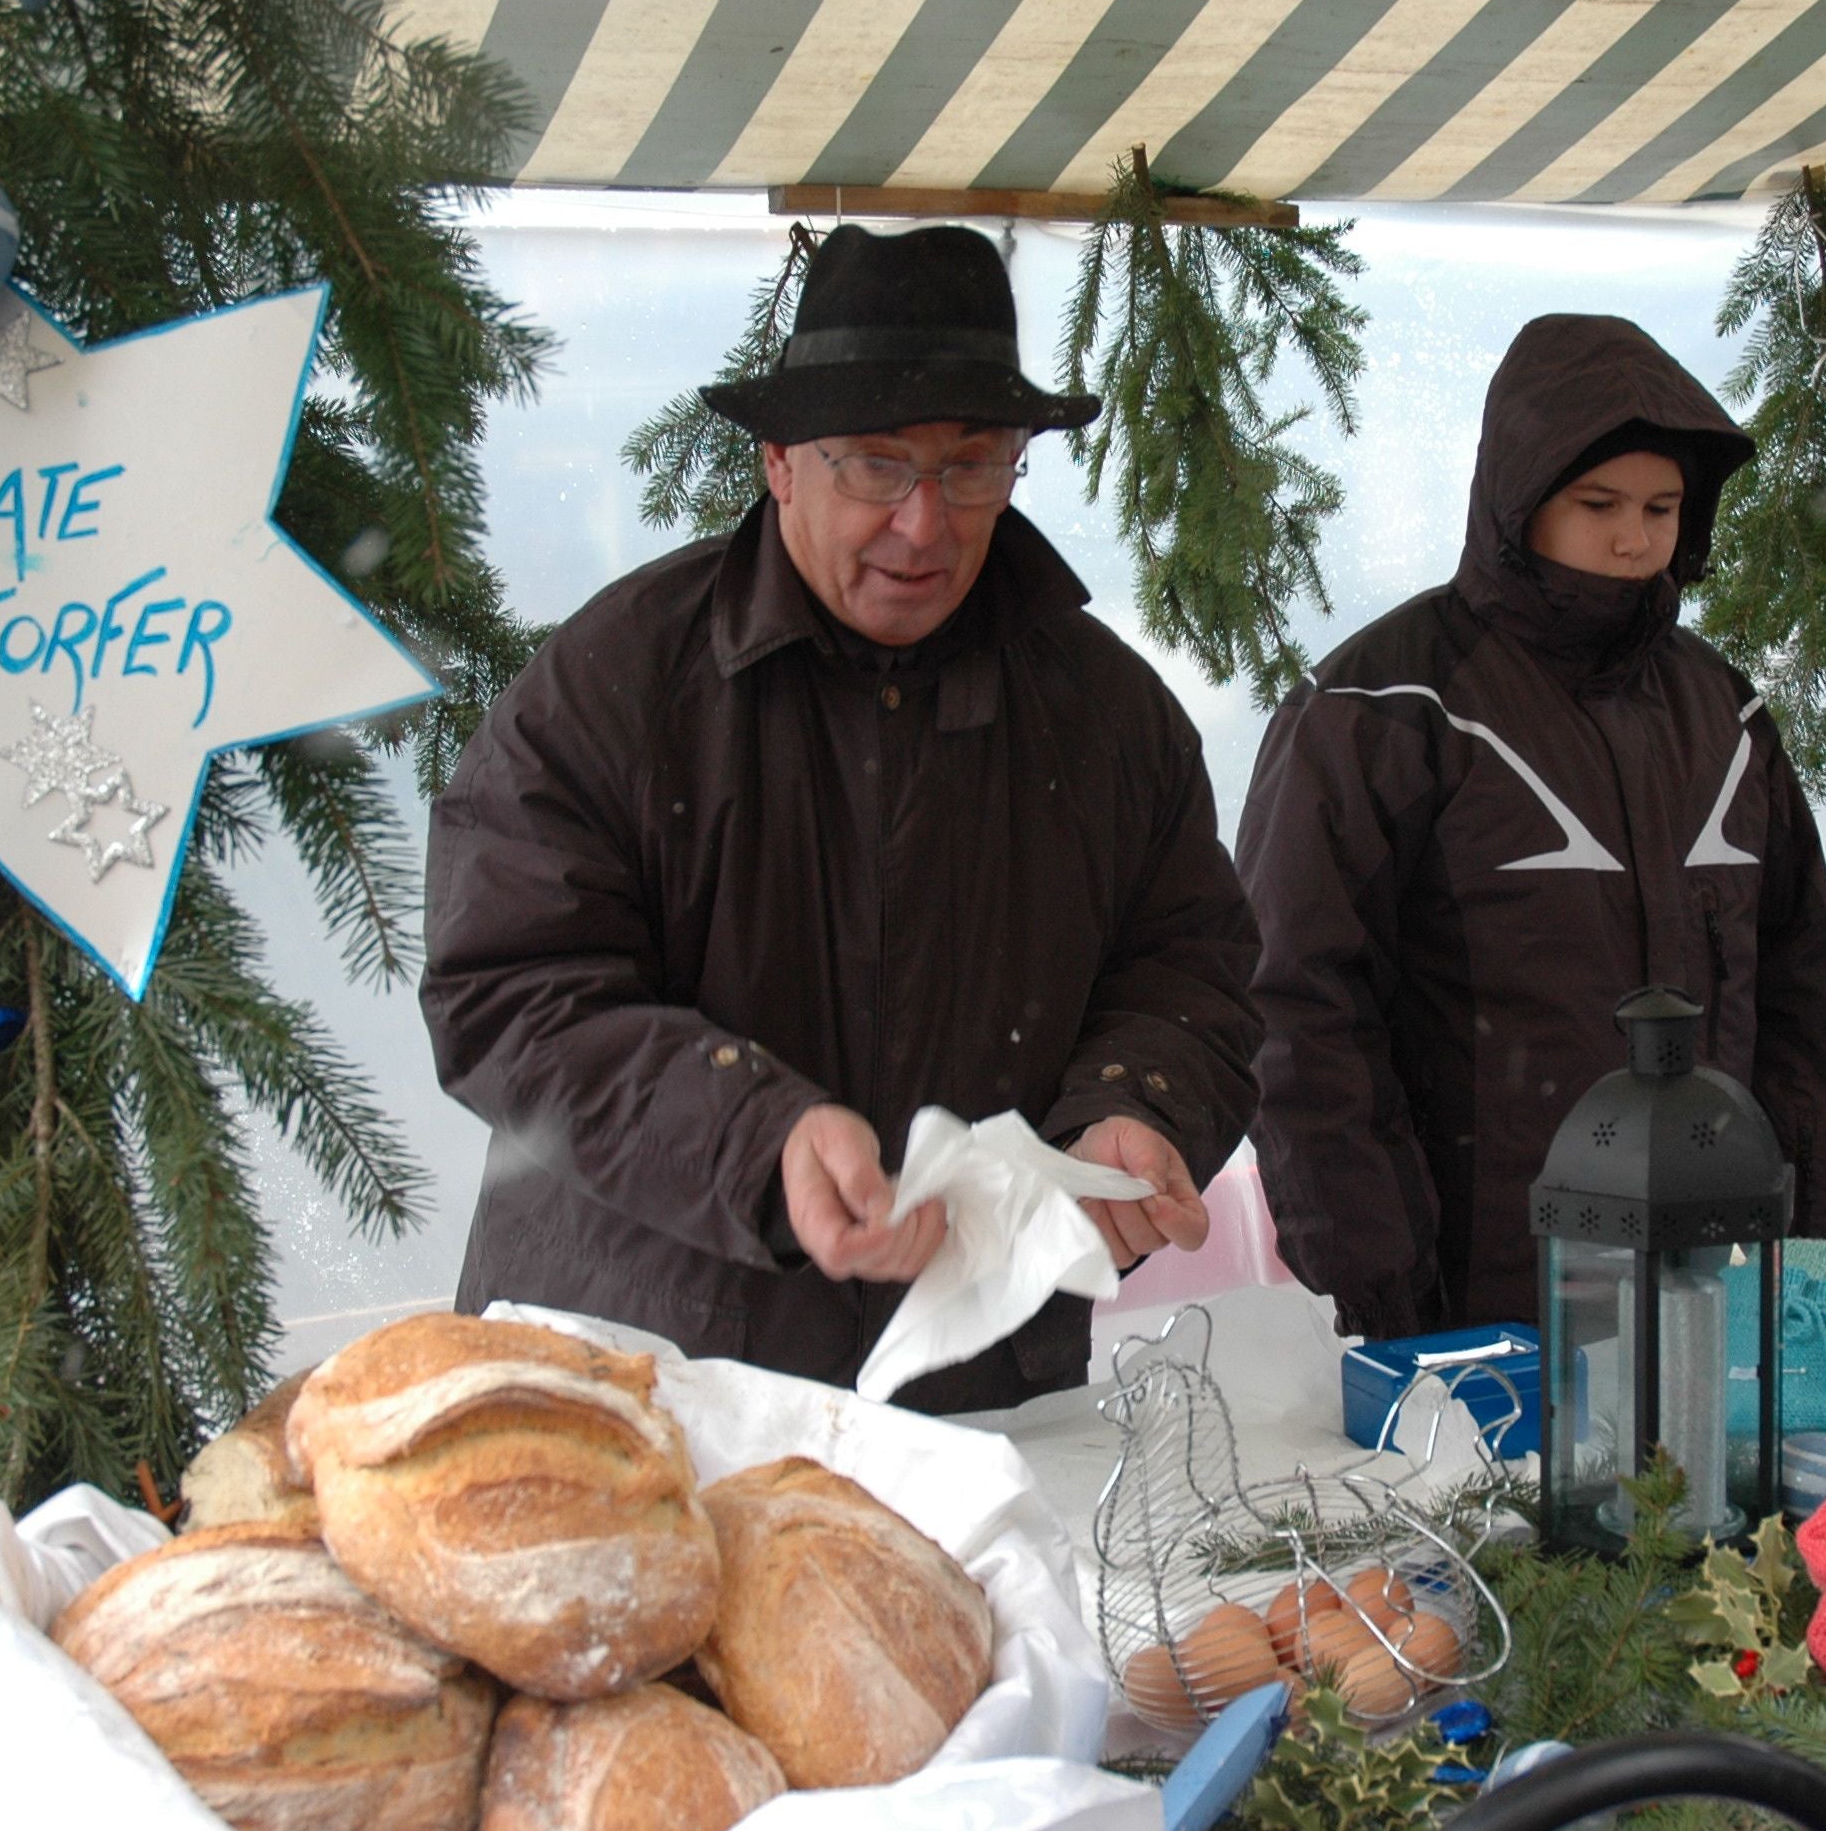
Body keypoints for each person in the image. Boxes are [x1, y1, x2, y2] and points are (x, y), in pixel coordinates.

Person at [420, 224, 1262, 1412]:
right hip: (649, 1385)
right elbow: (508, 990)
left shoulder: (1106, 713)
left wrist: (1132, 1105)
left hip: (972, 1395)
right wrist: (751, 1133)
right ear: (778, 461)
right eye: (876, 465)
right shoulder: (614, 684)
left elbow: (1190, 969)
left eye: (971, 467)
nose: (924, 524)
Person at [1239, 314, 1826, 1342]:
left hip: (1717, 1279)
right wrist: (1379, 1282)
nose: (1632, 537)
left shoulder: (1726, 713)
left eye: (1662, 506)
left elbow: (1798, 999)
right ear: (1518, 498)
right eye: (1598, 503)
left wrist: (1820, 1250)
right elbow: (1296, 1010)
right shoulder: (1385, 705)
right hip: (1478, 1288)